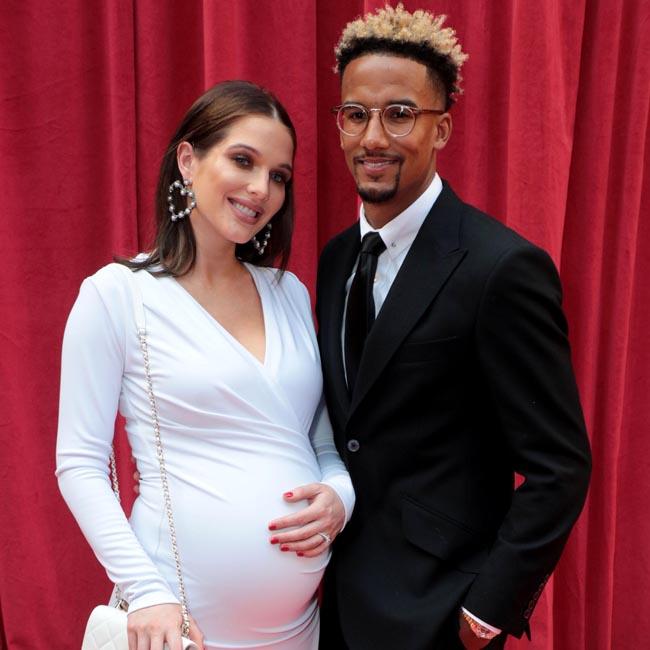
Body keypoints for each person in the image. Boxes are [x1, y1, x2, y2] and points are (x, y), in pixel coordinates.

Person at [314, 5, 592, 650]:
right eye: (355, 114)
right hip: (332, 604)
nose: (373, 137)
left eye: (399, 113)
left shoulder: (502, 268)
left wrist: (487, 610)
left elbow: (560, 466)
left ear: (441, 128)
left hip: (438, 613)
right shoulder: (334, 260)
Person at [56, 80, 355, 650]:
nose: (261, 188)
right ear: (188, 161)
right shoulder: (117, 295)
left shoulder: (289, 293)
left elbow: (319, 440)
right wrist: (145, 590)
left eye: (279, 176)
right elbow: (79, 463)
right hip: (175, 626)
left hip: (298, 632)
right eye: (243, 160)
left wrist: (341, 495)